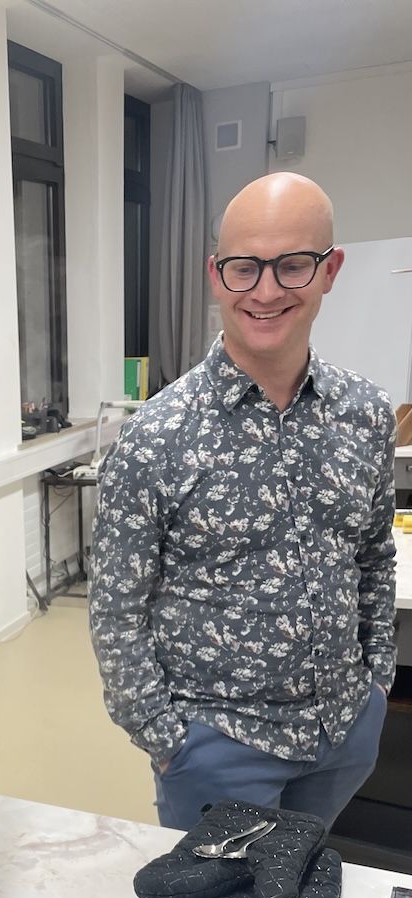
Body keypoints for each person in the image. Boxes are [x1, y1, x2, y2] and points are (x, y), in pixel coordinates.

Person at [90, 172, 395, 833]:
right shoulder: (157, 435)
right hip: (218, 748)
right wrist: (168, 741)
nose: (265, 291)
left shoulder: (367, 416)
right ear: (215, 275)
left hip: (343, 732)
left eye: (292, 265)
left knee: (302, 888)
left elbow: (374, 558)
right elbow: (116, 609)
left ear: (330, 270)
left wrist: (376, 684)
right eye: (244, 267)